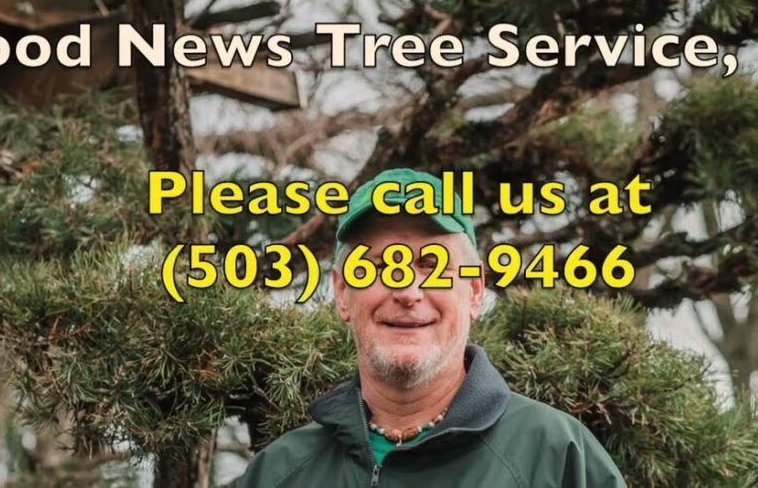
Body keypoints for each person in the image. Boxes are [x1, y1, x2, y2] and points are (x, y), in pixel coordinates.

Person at [236, 168, 628, 487]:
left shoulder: (557, 456)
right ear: (342, 292)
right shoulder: (279, 473)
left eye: (432, 266)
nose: (407, 291)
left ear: (474, 292)